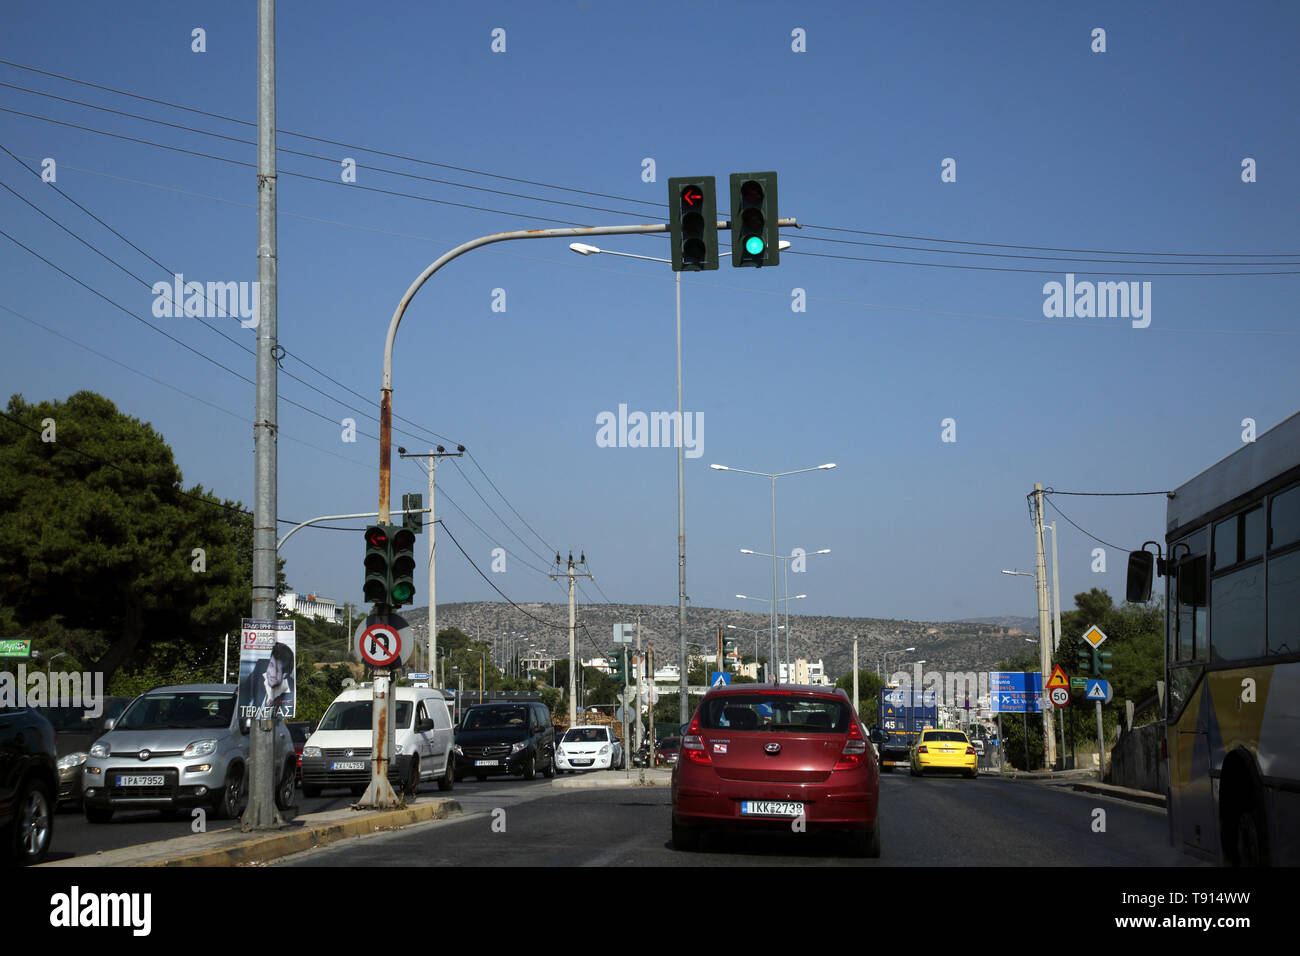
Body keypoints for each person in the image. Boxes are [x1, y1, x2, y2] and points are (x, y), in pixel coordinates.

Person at [240, 641, 295, 718]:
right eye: (271, 665)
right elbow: (243, 693)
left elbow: (283, 721)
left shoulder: (291, 693)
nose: (271, 673)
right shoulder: (261, 666)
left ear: (284, 675)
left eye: (277, 670)